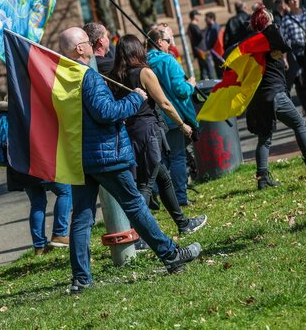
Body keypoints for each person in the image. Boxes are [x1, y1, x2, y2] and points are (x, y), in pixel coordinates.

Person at [57, 27, 202, 293]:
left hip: (79, 156)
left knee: (81, 218)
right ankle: (171, 255)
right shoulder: (87, 76)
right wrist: (135, 98)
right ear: (80, 49)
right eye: (88, 43)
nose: (92, 46)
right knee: (135, 205)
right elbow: (105, 112)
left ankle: (81, 279)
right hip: (105, 156)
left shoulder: (63, 77)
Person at [110, 35, 207, 244]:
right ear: (137, 50)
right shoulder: (144, 72)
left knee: (162, 177)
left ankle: (183, 223)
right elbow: (164, 102)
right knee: (145, 184)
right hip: (147, 132)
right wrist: (182, 125)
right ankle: (140, 239)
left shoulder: (115, 75)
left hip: (130, 132)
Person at [0, 99, 72, 255]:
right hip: (40, 163)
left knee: (37, 203)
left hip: (20, 169)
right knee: (65, 192)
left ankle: (39, 246)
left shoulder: (5, 116)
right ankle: (59, 233)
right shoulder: (32, 110)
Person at [246, 5, 306, 188]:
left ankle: (262, 178)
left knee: (264, 138)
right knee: (299, 124)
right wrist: (268, 20)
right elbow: (283, 45)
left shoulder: (254, 43)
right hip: (275, 94)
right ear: (266, 22)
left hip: (260, 98)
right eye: (270, 18)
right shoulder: (268, 38)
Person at [146, 26, 199, 206]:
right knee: (177, 157)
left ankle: (156, 193)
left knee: (163, 159)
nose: (171, 45)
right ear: (160, 42)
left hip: (156, 118)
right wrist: (191, 84)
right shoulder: (168, 61)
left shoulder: (144, 63)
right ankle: (180, 198)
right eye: (169, 41)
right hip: (174, 116)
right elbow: (180, 90)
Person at [280, 0, 306, 110]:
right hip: (297, 56)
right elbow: (284, 42)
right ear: (288, 3)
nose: (294, 0)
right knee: (301, 84)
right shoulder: (286, 21)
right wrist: (284, 59)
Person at [187, 9, 215, 79]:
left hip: (199, 50)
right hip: (201, 51)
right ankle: (213, 83)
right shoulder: (193, 26)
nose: (199, 17)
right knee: (209, 67)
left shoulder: (192, 26)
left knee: (204, 69)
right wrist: (207, 28)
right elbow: (200, 36)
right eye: (198, 15)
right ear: (194, 16)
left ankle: (205, 85)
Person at [204, 12, 223, 78]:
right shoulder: (209, 28)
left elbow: (219, 41)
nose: (205, 20)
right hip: (213, 53)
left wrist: (211, 50)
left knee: (221, 70)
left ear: (211, 18)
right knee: (217, 70)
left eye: (206, 18)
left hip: (217, 53)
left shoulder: (215, 28)